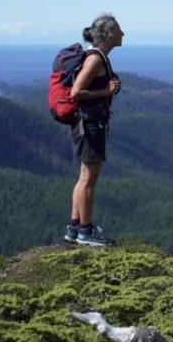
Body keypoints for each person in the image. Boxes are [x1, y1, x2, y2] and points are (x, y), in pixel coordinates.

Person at [64, 13, 123, 246]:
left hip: (86, 123)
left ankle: (75, 227)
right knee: (89, 179)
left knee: (83, 178)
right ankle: (85, 232)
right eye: (118, 30)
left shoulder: (96, 56)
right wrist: (105, 92)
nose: (122, 34)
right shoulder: (95, 59)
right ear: (107, 34)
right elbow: (76, 92)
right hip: (90, 124)